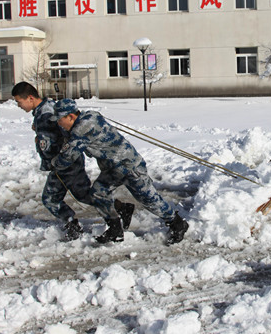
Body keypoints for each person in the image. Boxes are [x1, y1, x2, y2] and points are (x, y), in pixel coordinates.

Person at [52, 99, 189, 245]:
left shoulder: (81, 131)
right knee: (98, 193)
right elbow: (71, 134)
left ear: (71, 116)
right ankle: (115, 229)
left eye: (60, 120)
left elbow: (67, 157)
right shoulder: (90, 115)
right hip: (113, 169)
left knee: (149, 200)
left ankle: (177, 223)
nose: (59, 123)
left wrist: (53, 162)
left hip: (130, 167)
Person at [11, 82, 92, 239]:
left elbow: (69, 132)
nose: (19, 106)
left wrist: (64, 155)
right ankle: (73, 225)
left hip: (67, 163)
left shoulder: (48, 112)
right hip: (59, 164)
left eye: (19, 102)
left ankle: (117, 210)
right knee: (55, 198)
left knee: (80, 195)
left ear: (30, 98)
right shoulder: (41, 111)